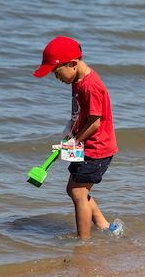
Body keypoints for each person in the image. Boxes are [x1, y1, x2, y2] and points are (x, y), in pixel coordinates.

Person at [33, 36, 122, 240]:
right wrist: (70, 134)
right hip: (84, 143)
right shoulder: (78, 80)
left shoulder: (89, 86)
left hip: (97, 148)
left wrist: (76, 140)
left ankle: (83, 242)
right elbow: (81, 115)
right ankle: (104, 225)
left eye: (57, 72)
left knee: (78, 193)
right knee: (72, 189)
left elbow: (95, 122)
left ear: (72, 64)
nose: (56, 77)